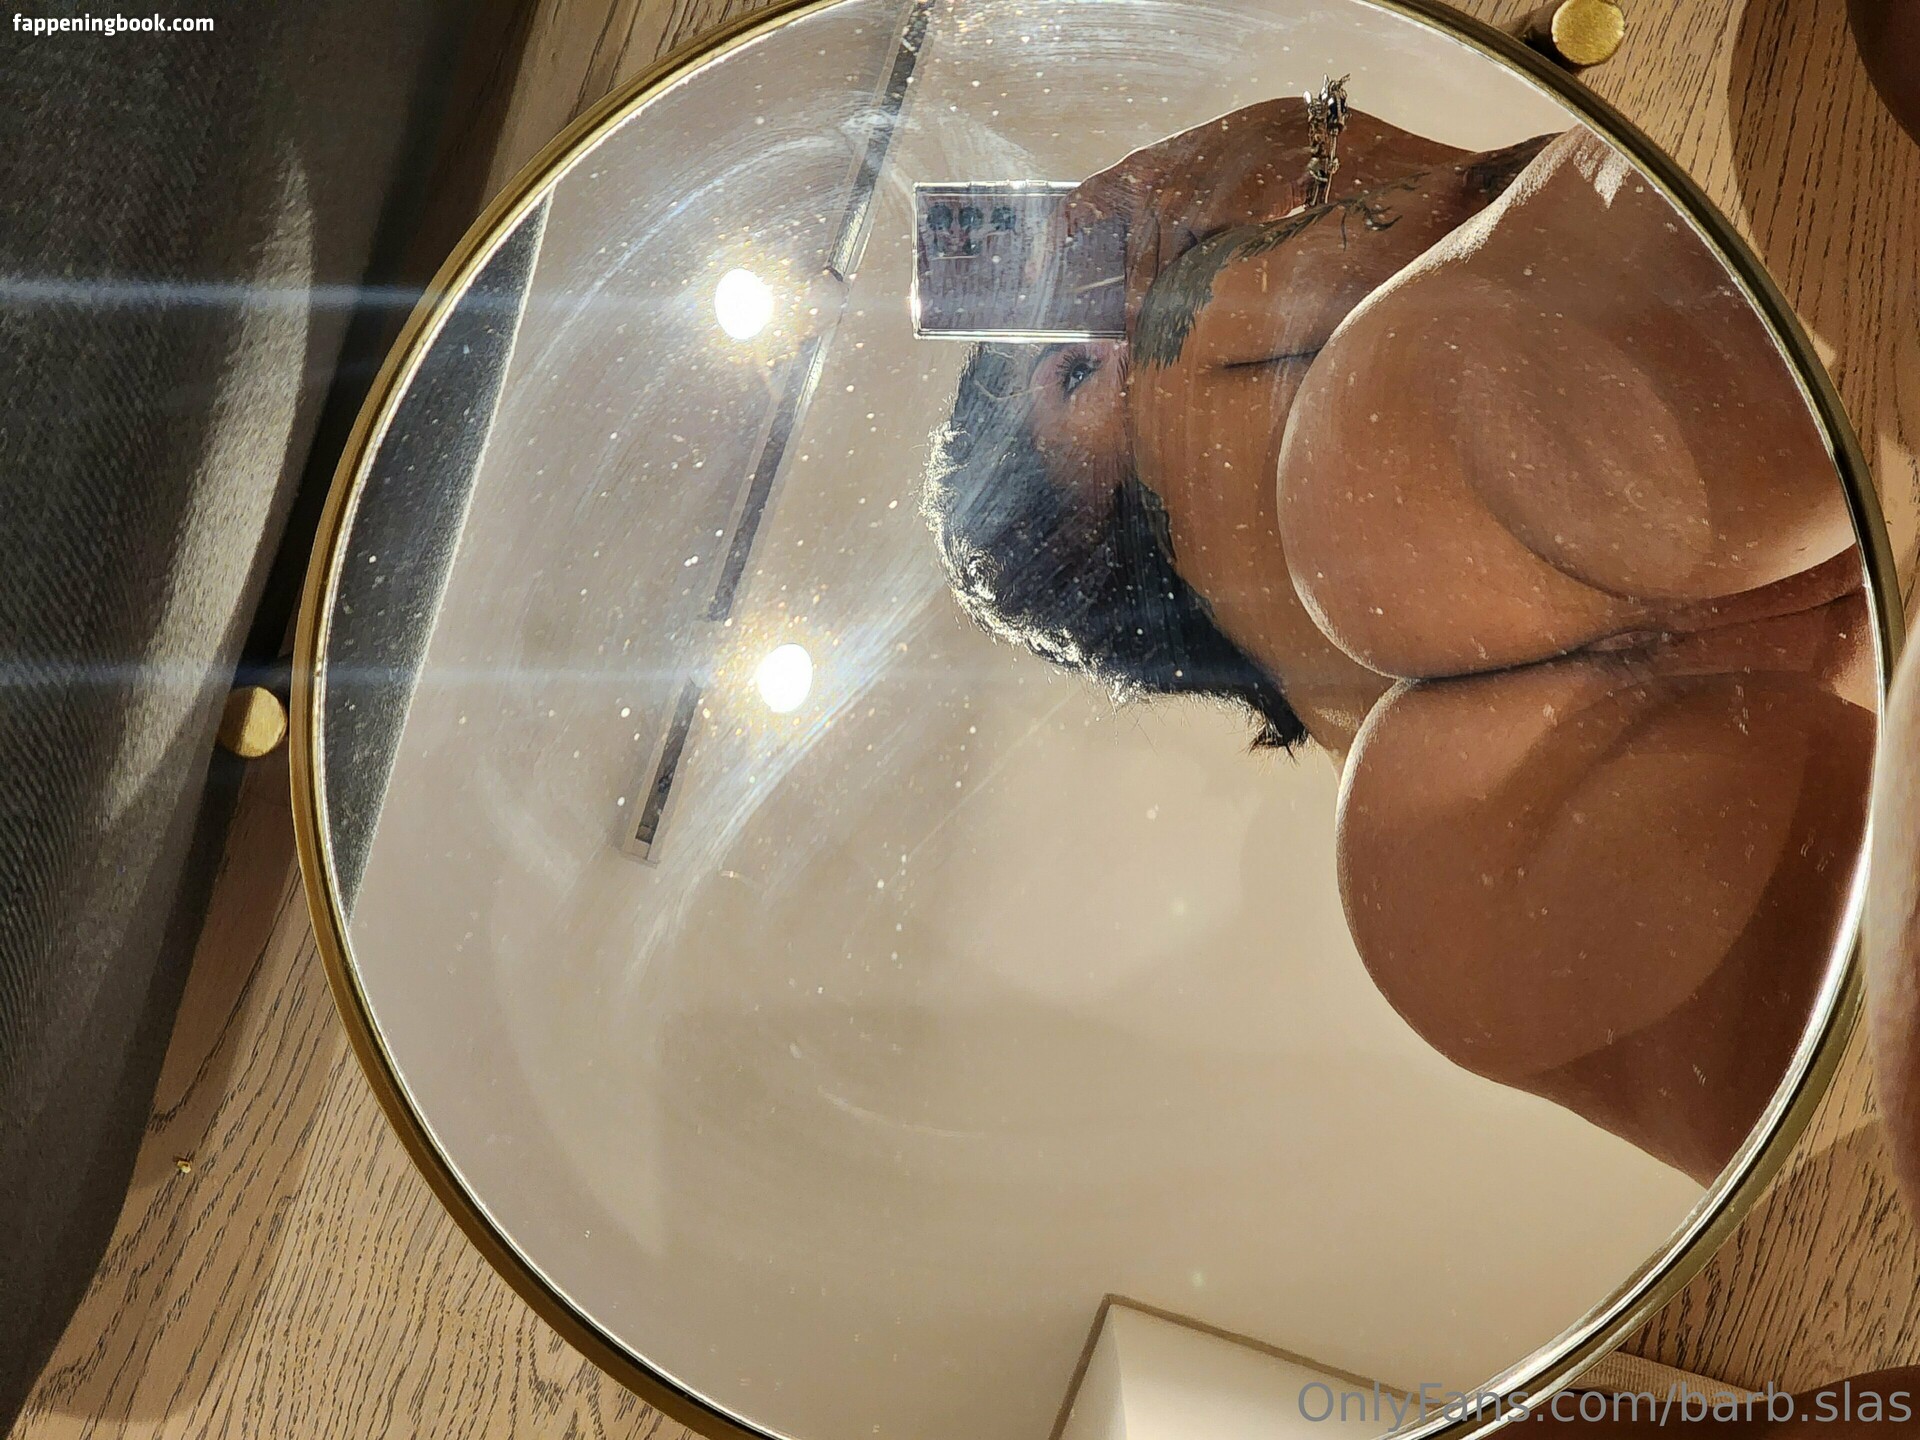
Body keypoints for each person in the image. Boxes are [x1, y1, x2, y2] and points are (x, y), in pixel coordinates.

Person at [923, 97, 1875, 1183]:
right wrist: (1274, 159)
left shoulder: (1428, 879)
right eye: (1073, 370)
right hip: (1432, 461)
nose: (1110, 323)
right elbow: (1615, 175)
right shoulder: (1219, 326)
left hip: (1461, 825)